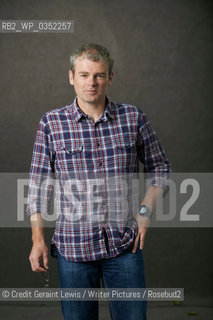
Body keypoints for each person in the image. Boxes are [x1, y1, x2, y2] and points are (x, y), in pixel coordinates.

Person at [27, 43, 171, 320]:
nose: (91, 82)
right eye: (84, 75)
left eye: (99, 75)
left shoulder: (133, 118)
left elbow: (161, 167)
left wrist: (145, 210)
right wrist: (37, 240)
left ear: (110, 78)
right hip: (73, 249)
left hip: (125, 246)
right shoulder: (51, 124)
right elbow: (36, 186)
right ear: (71, 77)